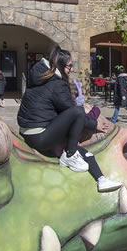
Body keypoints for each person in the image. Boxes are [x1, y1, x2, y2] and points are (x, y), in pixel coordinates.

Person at [17, 48, 121, 191]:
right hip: (40, 135)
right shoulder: (57, 85)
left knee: (85, 153)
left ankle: (101, 180)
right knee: (77, 112)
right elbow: (73, 114)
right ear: (59, 65)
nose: (71, 69)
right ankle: (70, 154)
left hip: (30, 132)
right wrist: (94, 122)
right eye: (69, 66)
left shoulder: (40, 78)